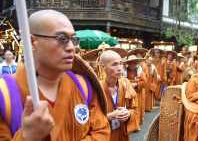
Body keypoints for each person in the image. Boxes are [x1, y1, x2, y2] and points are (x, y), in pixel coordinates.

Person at [0, 10, 110, 140]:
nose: (71, 48)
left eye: (73, 39)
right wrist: (26, 137)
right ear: (32, 41)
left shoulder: (83, 85)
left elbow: (102, 131)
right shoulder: (5, 94)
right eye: (62, 39)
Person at [99, 50, 139, 141]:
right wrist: (109, 116)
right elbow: (90, 119)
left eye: (121, 63)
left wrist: (128, 114)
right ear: (103, 67)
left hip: (122, 133)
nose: (120, 68)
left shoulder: (125, 83)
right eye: (114, 64)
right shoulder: (96, 88)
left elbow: (135, 109)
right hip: (104, 134)